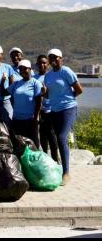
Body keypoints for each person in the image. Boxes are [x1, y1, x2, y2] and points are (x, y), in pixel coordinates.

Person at [44, 48, 83, 186]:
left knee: (61, 137)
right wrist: (44, 93)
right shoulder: (48, 76)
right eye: (51, 58)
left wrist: (67, 100)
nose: (53, 60)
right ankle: (60, 167)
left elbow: (79, 89)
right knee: (59, 139)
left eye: (56, 57)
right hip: (54, 111)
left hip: (68, 109)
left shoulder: (66, 71)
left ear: (61, 58)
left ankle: (66, 173)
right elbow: (48, 95)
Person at [0, 59, 43, 148]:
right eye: (20, 69)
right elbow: (3, 93)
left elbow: (39, 102)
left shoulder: (36, 83)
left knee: (33, 145)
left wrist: (35, 118)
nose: (22, 71)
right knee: (18, 145)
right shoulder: (16, 83)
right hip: (17, 119)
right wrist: (2, 82)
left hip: (30, 120)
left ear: (30, 69)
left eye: (25, 69)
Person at [34, 55, 59, 162]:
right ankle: (46, 160)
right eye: (39, 63)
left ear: (48, 64)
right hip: (39, 112)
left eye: (44, 63)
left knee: (52, 136)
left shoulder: (51, 76)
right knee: (42, 137)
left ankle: (55, 159)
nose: (42, 65)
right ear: (36, 65)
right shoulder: (34, 78)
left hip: (51, 111)